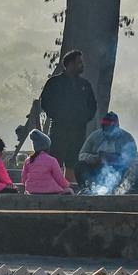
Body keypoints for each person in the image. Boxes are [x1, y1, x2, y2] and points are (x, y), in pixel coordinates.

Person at [38, 50, 96, 182]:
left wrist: (84, 118)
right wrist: (58, 115)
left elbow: (92, 105)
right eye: (79, 62)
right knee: (56, 158)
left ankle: (69, 189)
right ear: (70, 64)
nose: (82, 65)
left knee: (73, 161)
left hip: (78, 130)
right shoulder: (54, 83)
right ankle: (53, 187)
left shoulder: (85, 85)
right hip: (59, 128)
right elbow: (45, 102)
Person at [77, 111, 137, 191]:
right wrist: (96, 158)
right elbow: (81, 155)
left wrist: (117, 159)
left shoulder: (127, 138)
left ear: (117, 126)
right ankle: (87, 190)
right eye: (106, 128)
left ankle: (121, 190)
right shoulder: (95, 136)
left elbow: (133, 159)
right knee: (80, 166)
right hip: (97, 167)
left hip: (118, 170)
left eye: (111, 129)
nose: (108, 131)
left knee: (129, 172)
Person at [21, 130, 72, 195]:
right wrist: (67, 185)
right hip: (50, 192)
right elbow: (59, 179)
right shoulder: (52, 161)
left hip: (31, 192)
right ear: (47, 147)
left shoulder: (28, 160)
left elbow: (23, 179)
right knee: (69, 191)